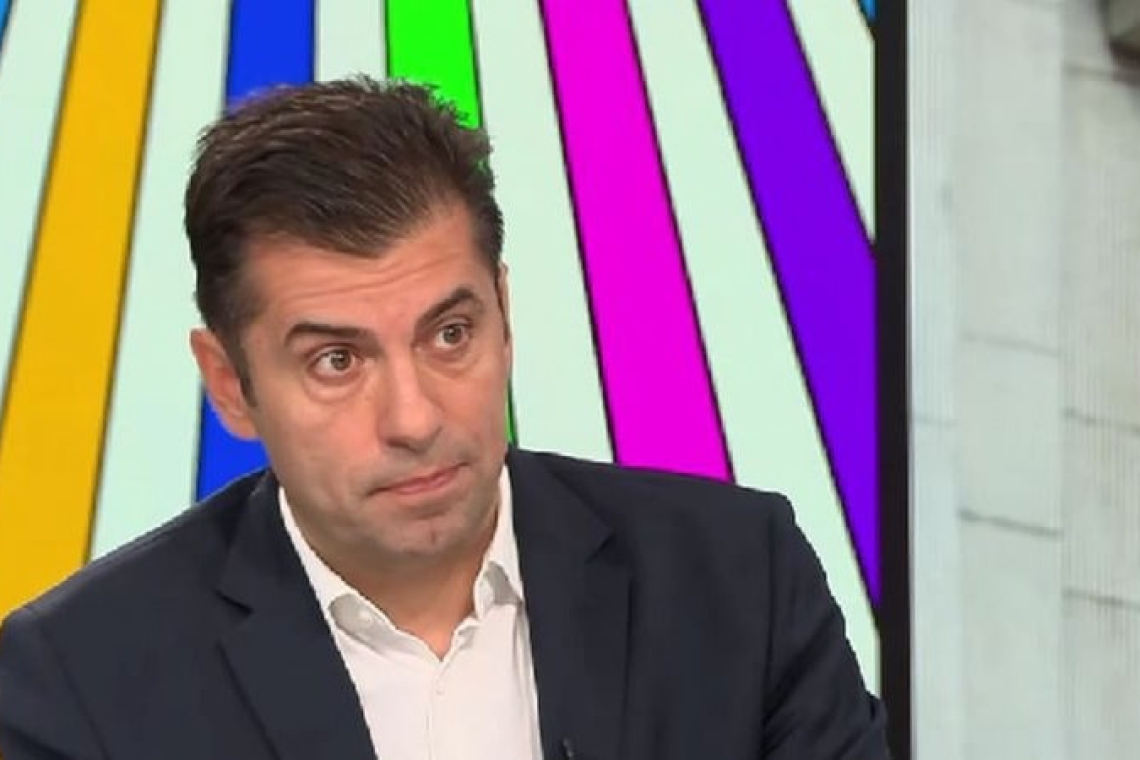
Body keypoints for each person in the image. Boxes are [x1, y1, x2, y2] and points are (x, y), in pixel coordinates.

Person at [0, 76, 888, 759]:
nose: (415, 418)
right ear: (230, 384)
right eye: (337, 361)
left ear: (504, 314)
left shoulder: (738, 580)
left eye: (450, 334)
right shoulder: (77, 682)